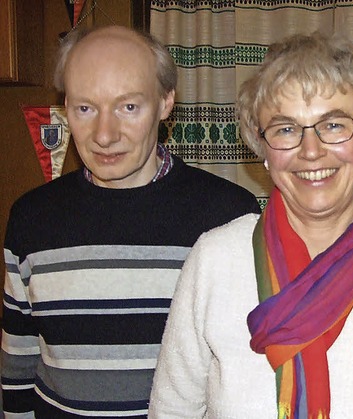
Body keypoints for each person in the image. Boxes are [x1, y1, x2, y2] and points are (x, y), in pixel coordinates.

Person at [149, 32, 353, 418]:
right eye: (286, 129)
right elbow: (172, 411)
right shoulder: (214, 259)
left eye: (334, 125)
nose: (311, 151)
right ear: (263, 147)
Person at [1, 25, 261, 417]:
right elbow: (18, 367)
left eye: (128, 107)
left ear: (165, 103)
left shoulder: (229, 216)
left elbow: (249, 368)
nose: (104, 135)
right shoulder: (31, 218)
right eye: (85, 108)